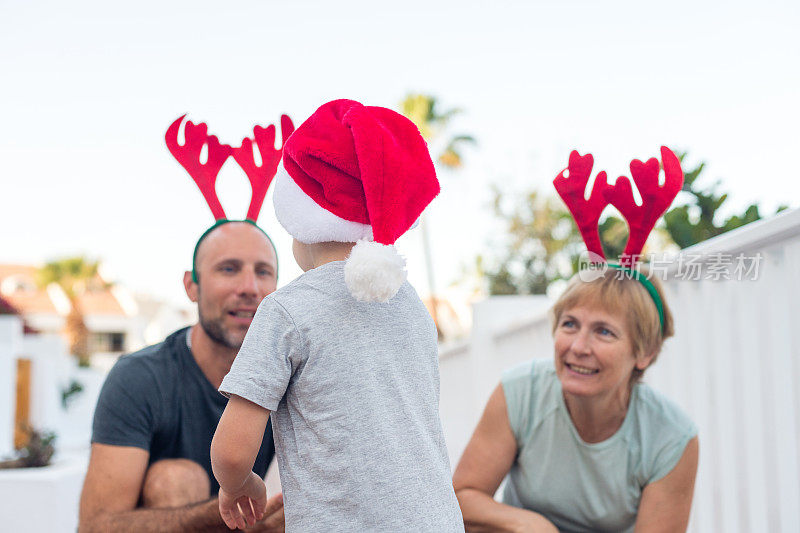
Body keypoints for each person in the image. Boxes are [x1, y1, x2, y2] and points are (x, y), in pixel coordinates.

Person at [209, 99, 464, 532]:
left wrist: (240, 484)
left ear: (302, 223)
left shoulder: (286, 311)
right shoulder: (411, 305)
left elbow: (233, 452)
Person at [452, 267, 699, 532]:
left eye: (604, 331)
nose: (578, 347)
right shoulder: (520, 391)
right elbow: (461, 498)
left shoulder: (671, 437)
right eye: (569, 324)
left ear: (645, 352)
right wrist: (529, 524)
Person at [79, 221, 285, 532]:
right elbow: (95, 525)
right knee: (175, 478)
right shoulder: (139, 377)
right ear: (192, 286)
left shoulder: (298, 378)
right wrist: (226, 515)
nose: (249, 288)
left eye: (263, 272)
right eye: (229, 269)